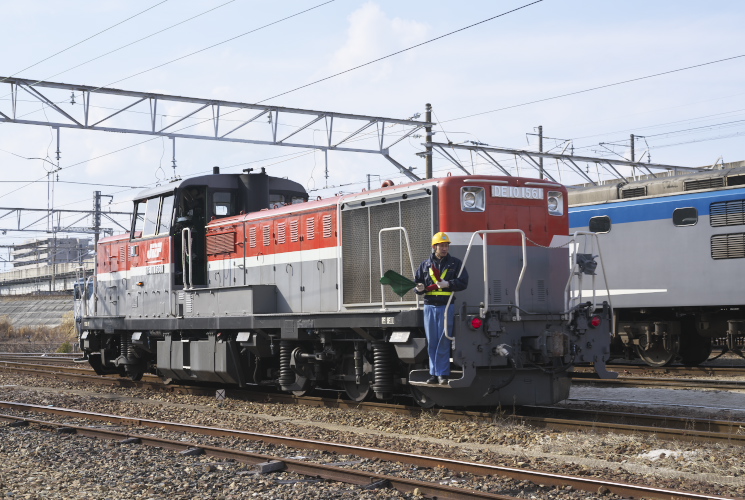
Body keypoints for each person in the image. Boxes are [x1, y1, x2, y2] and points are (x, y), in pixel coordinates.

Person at [415, 232, 468, 385]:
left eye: (446, 246)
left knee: (443, 340)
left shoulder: (456, 263)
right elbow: (417, 283)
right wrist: (418, 289)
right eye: (442, 246)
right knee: (432, 341)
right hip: (430, 306)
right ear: (434, 247)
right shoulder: (425, 265)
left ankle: (442, 374)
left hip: (446, 306)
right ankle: (433, 373)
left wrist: (449, 284)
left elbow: (464, 282)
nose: (445, 248)